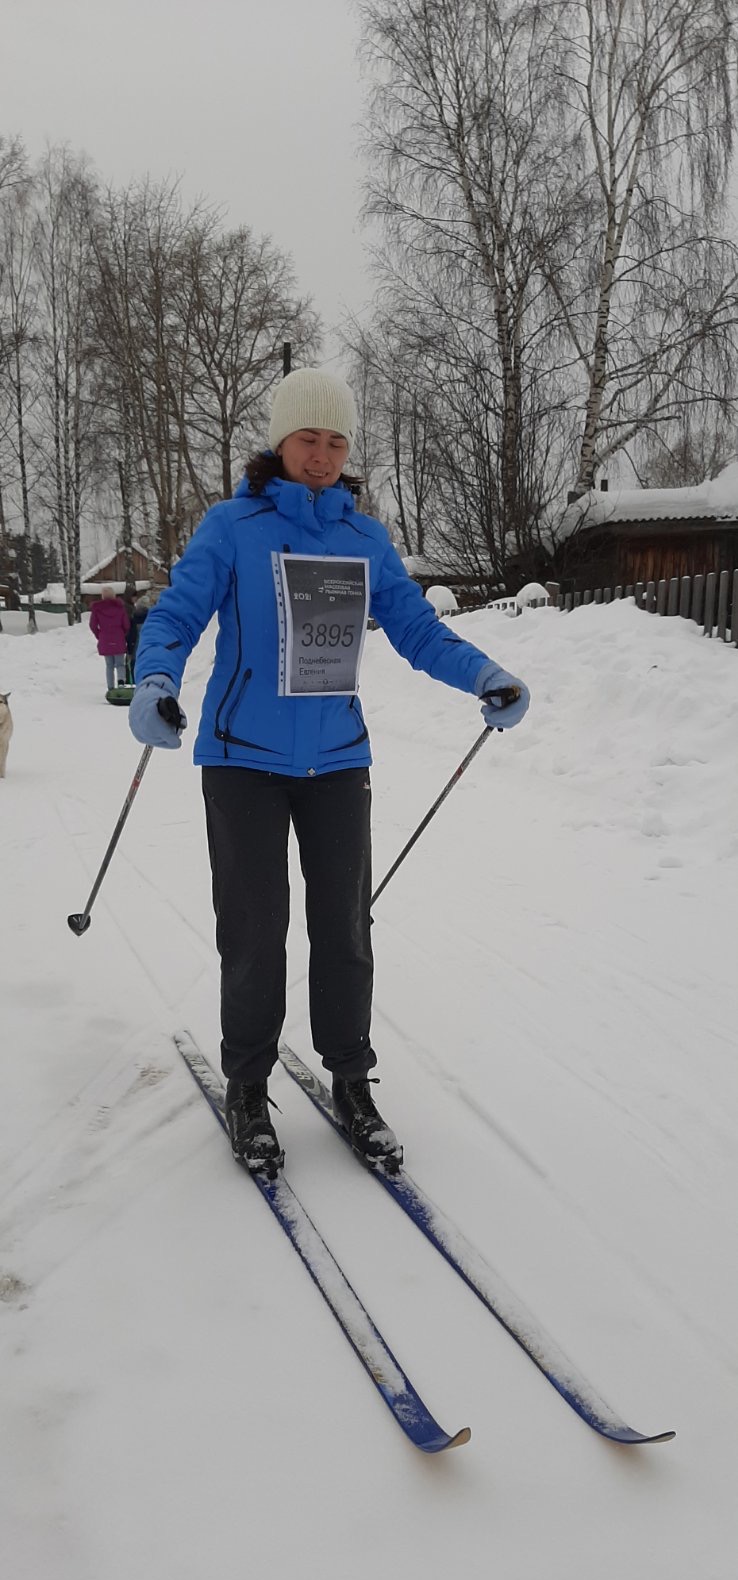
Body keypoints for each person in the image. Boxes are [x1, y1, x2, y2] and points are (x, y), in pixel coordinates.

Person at [129, 368, 530, 1179]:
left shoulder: (364, 538)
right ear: (280, 442)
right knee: (254, 929)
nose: (322, 455)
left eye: (337, 441)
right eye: (308, 438)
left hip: (339, 760)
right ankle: (248, 1087)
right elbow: (178, 610)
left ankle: (351, 1082)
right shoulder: (232, 526)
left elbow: (416, 629)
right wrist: (155, 677)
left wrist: (483, 673)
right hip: (241, 759)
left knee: (346, 928)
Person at [89, 585, 130, 694]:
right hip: (118, 638)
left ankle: (110, 687)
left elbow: (93, 625)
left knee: (109, 665)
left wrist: (99, 635)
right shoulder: (120, 607)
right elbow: (126, 624)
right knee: (120, 664)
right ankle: (121, 683)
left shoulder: (97, 609)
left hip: (105, 639)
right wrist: (122, 633)